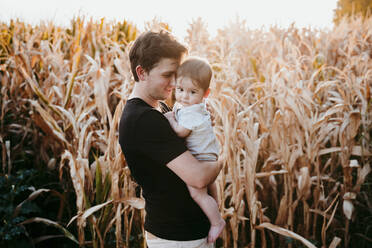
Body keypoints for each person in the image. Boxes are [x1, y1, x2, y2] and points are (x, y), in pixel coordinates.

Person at [119, 31, 223, 248]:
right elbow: (199, 178)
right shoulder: (143, 120)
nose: (175, 83)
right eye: (168, 74)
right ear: (142, 72)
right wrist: (222, 159)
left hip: (187, 234)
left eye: (178, 74)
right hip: (177, 238)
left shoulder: (160, 109)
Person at [164, 57, 226, 243]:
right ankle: (216, 205)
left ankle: (216, 222)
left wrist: (170, 119)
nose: (184, 96)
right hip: (208, 152)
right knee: (209, 186)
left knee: (197, 192)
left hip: (203, 156)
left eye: (192, 92)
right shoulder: (192, 105)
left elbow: (181, 132)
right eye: (180, 90)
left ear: (205, 93)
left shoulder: (192, 111)